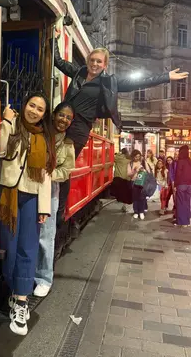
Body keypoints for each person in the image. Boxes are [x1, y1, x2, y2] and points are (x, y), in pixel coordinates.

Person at [52, 28, 189, 223]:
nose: (95, 64)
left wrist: (166, 77)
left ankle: (58, 213)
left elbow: (138, 82)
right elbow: (58, 62)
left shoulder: (109, 82)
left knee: (64, 165)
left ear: (105, 65)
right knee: (50, 158)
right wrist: (55, 37)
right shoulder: (79, 73)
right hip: (63, 121)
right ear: (88, 61)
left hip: (80, 127)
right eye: (92, 60)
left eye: (99, 61)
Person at [0, 92, 56, 336]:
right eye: (32, 105)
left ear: (44, 115)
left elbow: (45, 175)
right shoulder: (11, 126)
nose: (34, 111)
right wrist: (7, 122)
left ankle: (21, 301)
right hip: (8, 197)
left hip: (31, 198)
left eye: (40, 109)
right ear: (24, 106)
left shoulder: (44, 137)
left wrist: (44, 208)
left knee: (28, 249)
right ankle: (14, 290)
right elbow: (1, 152)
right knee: (10, 249)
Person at [34, 102, 75, 297]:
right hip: (30, 187)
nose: (64, 120)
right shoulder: (40, 133)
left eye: (68, 118)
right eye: (61, 115)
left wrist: (47, 174)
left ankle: (44, 278)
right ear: (54, 115)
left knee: (46, 235)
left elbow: (66, 171)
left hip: (50, 190)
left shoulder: (68, 144)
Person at [128, 150, 150, 220]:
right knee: (135, 198)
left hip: (142, 183)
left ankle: (141, 211)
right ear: (133, 156)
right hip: (134, 182)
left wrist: (143, 170)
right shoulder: (130, 164)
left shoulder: (143, 162)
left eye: (138, 157)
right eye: (136, 157)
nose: (137, 158)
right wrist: (135, 171)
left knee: (142, 198)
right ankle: (136, 212)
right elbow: (129, 175)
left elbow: (148, 171)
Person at [174, 145, 191, 228]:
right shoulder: (189, 161)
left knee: (180, 203)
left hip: (181, 184)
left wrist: (175, 184)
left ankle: (181, 221)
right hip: (189, 185)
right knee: (187, 202)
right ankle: (187, 221)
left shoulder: (180, 161)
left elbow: (178, 174)